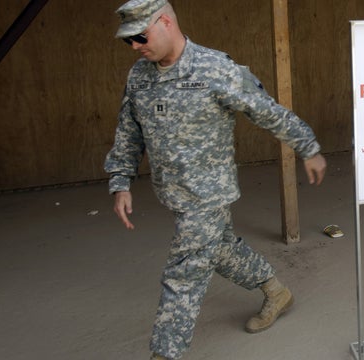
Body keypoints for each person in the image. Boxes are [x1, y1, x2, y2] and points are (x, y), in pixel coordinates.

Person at [104, 0, 327, 359]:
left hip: (209, 193)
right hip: (174, 193)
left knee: (184, 273)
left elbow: (264, 109)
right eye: (127, 40)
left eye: (140, 37)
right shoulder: (139, 76)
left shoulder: (214, 69)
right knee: (219, 250)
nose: (135, 46)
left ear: (165, 22)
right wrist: (121, 181)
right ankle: (276, 290)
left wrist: (307, 146)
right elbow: (129, 130)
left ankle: (165, 353)